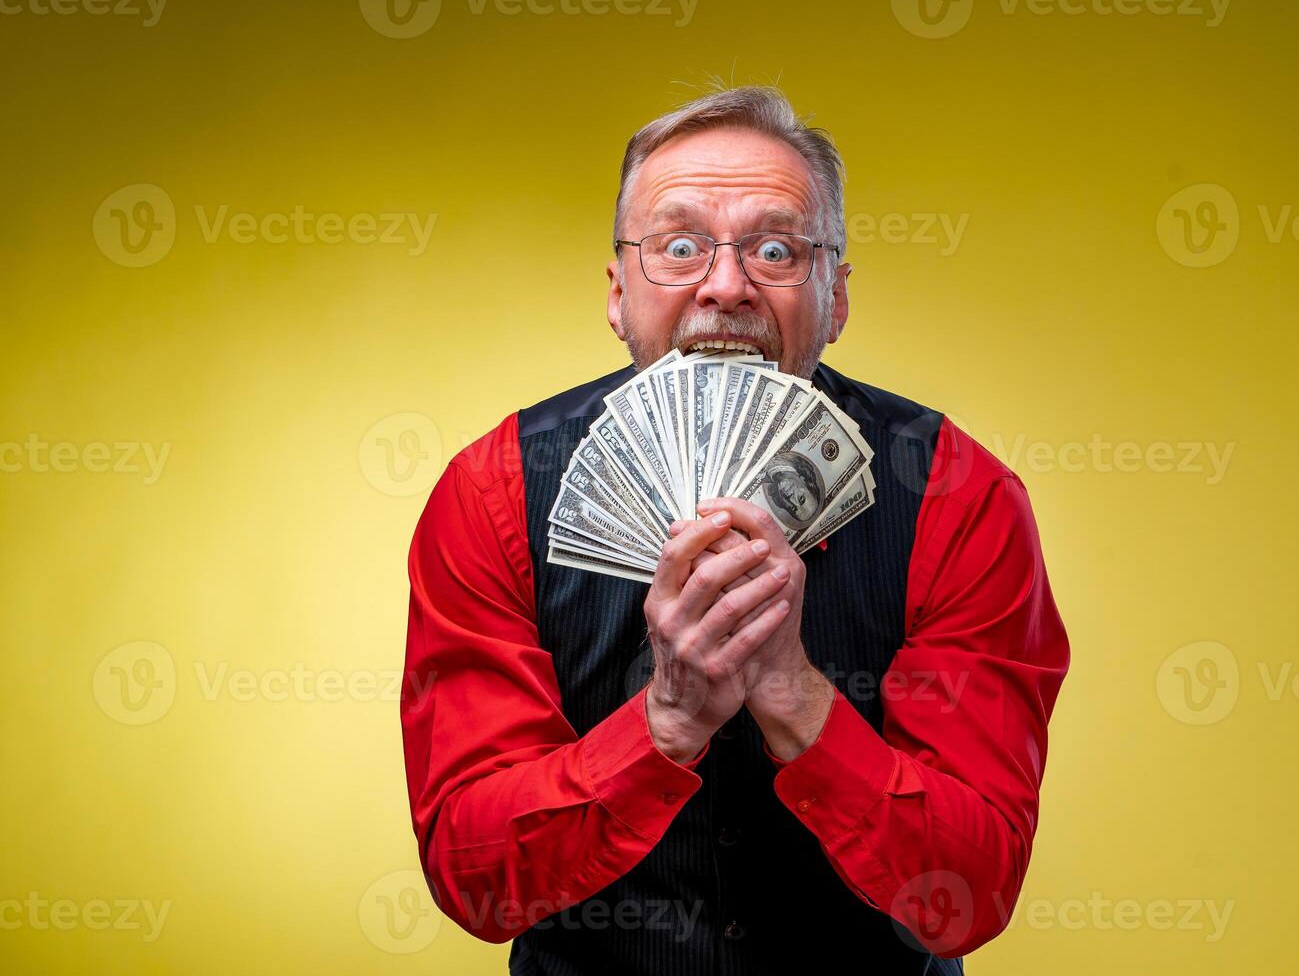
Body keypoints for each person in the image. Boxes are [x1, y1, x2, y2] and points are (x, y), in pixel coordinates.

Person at [400, 83, 1070, 975]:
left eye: (776, 250)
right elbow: (475, 881)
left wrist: (794, 697)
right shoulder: (491, 493)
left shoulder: (958, 495)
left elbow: (970, 888)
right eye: (678, 247)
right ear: (616, 291)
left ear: (834, 296)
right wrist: (667, 720)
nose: (726, 285)